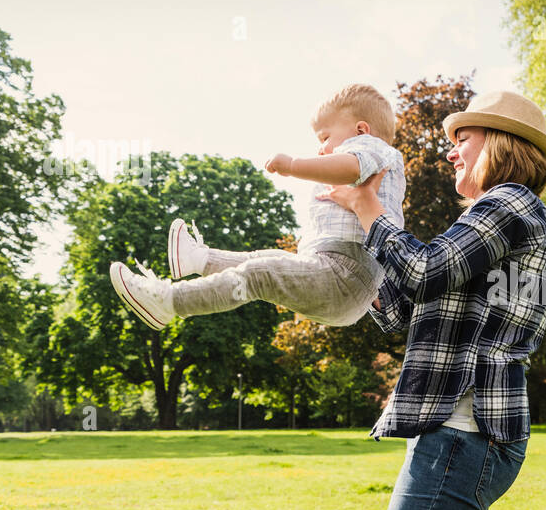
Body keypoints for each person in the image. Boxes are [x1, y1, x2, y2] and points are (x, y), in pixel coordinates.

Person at [319, 90, 546, 510]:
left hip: (464, 434)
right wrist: (354, 250)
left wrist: (371, 206)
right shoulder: (496, 217)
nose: (451, 150)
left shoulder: (510, 207)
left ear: (502, 146)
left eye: (465, 139)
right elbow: (408, 306)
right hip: (466, 435)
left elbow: (425, 272)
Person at [107, 83, 406, 329]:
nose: (320, 148)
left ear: (361, 129)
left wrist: (293, 165)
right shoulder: (366, 150)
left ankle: (170, 301)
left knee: (260, 274)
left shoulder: (374, 148)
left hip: (346, 275)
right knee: (262, 258)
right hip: (334, 272)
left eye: (325, 137)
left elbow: (352, 166)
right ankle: (199, 260)